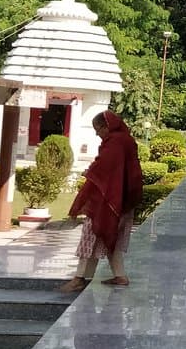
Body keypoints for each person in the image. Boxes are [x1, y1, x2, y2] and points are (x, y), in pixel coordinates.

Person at [59, 112, 143, 295]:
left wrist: (90, 173)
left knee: (92, 234)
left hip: (109, 201)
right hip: (124, 200)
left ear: (107, 126)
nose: (97, 134)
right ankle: (120, 275)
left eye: (98, 129)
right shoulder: (127, 140)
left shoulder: (115, 143)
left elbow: (104, 169)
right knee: (112, 238)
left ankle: (80, 278)